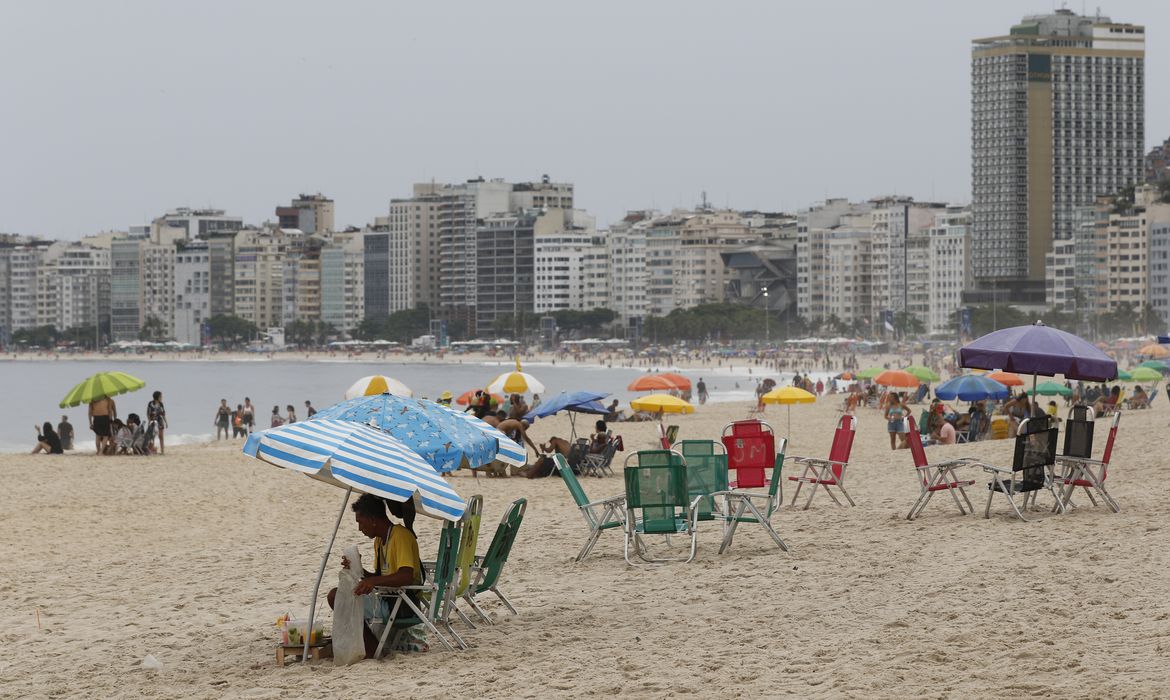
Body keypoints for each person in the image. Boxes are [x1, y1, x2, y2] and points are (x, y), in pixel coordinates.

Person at [327, 494, 426, 657]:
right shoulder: (380, 541)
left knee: (335, 596)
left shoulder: (400, 537)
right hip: (390, 599)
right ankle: (369, 644)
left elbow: (405, 576)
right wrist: (359, 569)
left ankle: (371, 647)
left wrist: (373, 580)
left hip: (403, 603)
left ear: (373, 519)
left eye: (360, 522)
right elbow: (383, 577)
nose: (360, 528)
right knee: (343, 594)